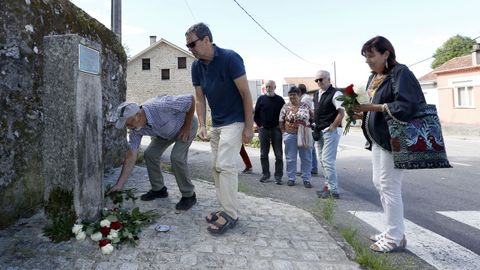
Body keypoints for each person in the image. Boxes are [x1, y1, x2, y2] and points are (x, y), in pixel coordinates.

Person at [353, 36, 424, 253]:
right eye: (366, 57)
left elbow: (407, 105)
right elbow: (371, 104)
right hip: (378, 140)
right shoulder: (374, 77)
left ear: (386, 53)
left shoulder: (401, 73)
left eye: (371, 56)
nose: (368, 61)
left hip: (394, 140)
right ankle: (392, 230)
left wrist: (372, 108)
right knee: (380, 184)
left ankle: (395, 237)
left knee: (389, 187)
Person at [186, 22, 254, 234]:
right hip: (217, 123)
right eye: (188, 46)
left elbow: (245, 94)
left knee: (225, 165)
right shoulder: (196, 66)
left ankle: (231, 214)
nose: (190, 49)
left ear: (207, 39)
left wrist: (249, 127)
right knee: (216, 168)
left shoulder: (230, 58)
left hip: (235, 121)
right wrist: (202, 124)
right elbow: (199, 98)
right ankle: (224, 208)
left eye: (193, 44)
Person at [109, 95, 198, 211]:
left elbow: (190, 100)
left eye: (129, 124)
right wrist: (119, 185)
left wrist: (187, 125)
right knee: (150, 154)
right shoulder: (136, 130)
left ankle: (189, 195)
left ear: (138, 115)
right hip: (166, 132)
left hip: (185, 126)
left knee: (177, 157)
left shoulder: (161, 106)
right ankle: (159, 189)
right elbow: (131, 157)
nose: (129, 128)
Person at [312, 70, 345, 199]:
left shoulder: (336, 93)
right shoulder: (317, 94)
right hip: (319, 131)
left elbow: (341, 113)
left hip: (330, 131)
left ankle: (333, 190)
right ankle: (327, 187)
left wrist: (332, 127)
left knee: (327, 160)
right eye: (317, 80)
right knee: (322, 160)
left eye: (321, 79)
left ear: (328, 79)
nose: (319, 82)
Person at [279, 86, 313, 188]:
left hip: (304, 135)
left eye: (294, 94)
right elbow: (281, 121)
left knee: (306, 157)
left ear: (299, 95)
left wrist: (308, 127)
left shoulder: (306, 106)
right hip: (290, 135)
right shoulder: (285, 107)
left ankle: (306, 179)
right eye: (290, 95)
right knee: (290, 158)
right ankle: (291, 178)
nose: (292, 97)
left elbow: (313, 117)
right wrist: (284, 133)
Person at [254, 80, 285, 184]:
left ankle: (278, 177)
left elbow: (284, 114)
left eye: (270, 86)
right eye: (267, 86)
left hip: (276, 130)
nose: (268, 88)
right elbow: (256, 114)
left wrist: (281, 127)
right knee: (263, 154)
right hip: (264, 130)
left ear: (275, 87)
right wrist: (260, 125)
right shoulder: (261, 99)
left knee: (279, 155)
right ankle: (265, 175)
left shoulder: (280, 100)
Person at [298, 83, 318, 175]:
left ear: (299, 91)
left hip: (308, 125)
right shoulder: (306, 97)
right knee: (311, 148)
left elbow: (302, 111)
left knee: (309, 148)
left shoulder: (305, 98)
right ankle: (313, 168)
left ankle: (309, 169)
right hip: (311, 124)